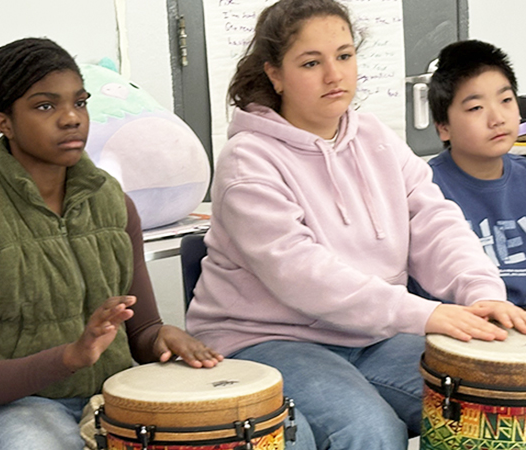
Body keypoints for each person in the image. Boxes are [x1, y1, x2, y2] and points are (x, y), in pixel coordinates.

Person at [183, 1, 526, 449]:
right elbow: (303, 275)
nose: (334, 75)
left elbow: (434, 222)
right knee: (368, 430)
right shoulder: (248, 160)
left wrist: (480, 292)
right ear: (275, 74)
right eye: (311, 63)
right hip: (267, 339)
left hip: (372, 334)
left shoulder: (375, 137)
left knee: (499, 392)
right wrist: (427, 315)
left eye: (344, 56)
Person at [0, 38, 226, 450]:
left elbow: (141, 330)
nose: (71, 118)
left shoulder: (114, 202)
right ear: (4, 122)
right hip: (20, 408)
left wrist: (163, 338)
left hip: (118, 395)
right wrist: (71, 356)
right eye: (45, 106)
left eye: (80, 102)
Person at [418, 40, 526, 307]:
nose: (497, 118)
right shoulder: (423, 189)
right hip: (467, 326)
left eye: (505, 100)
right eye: (476, 108)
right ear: (443, 128)